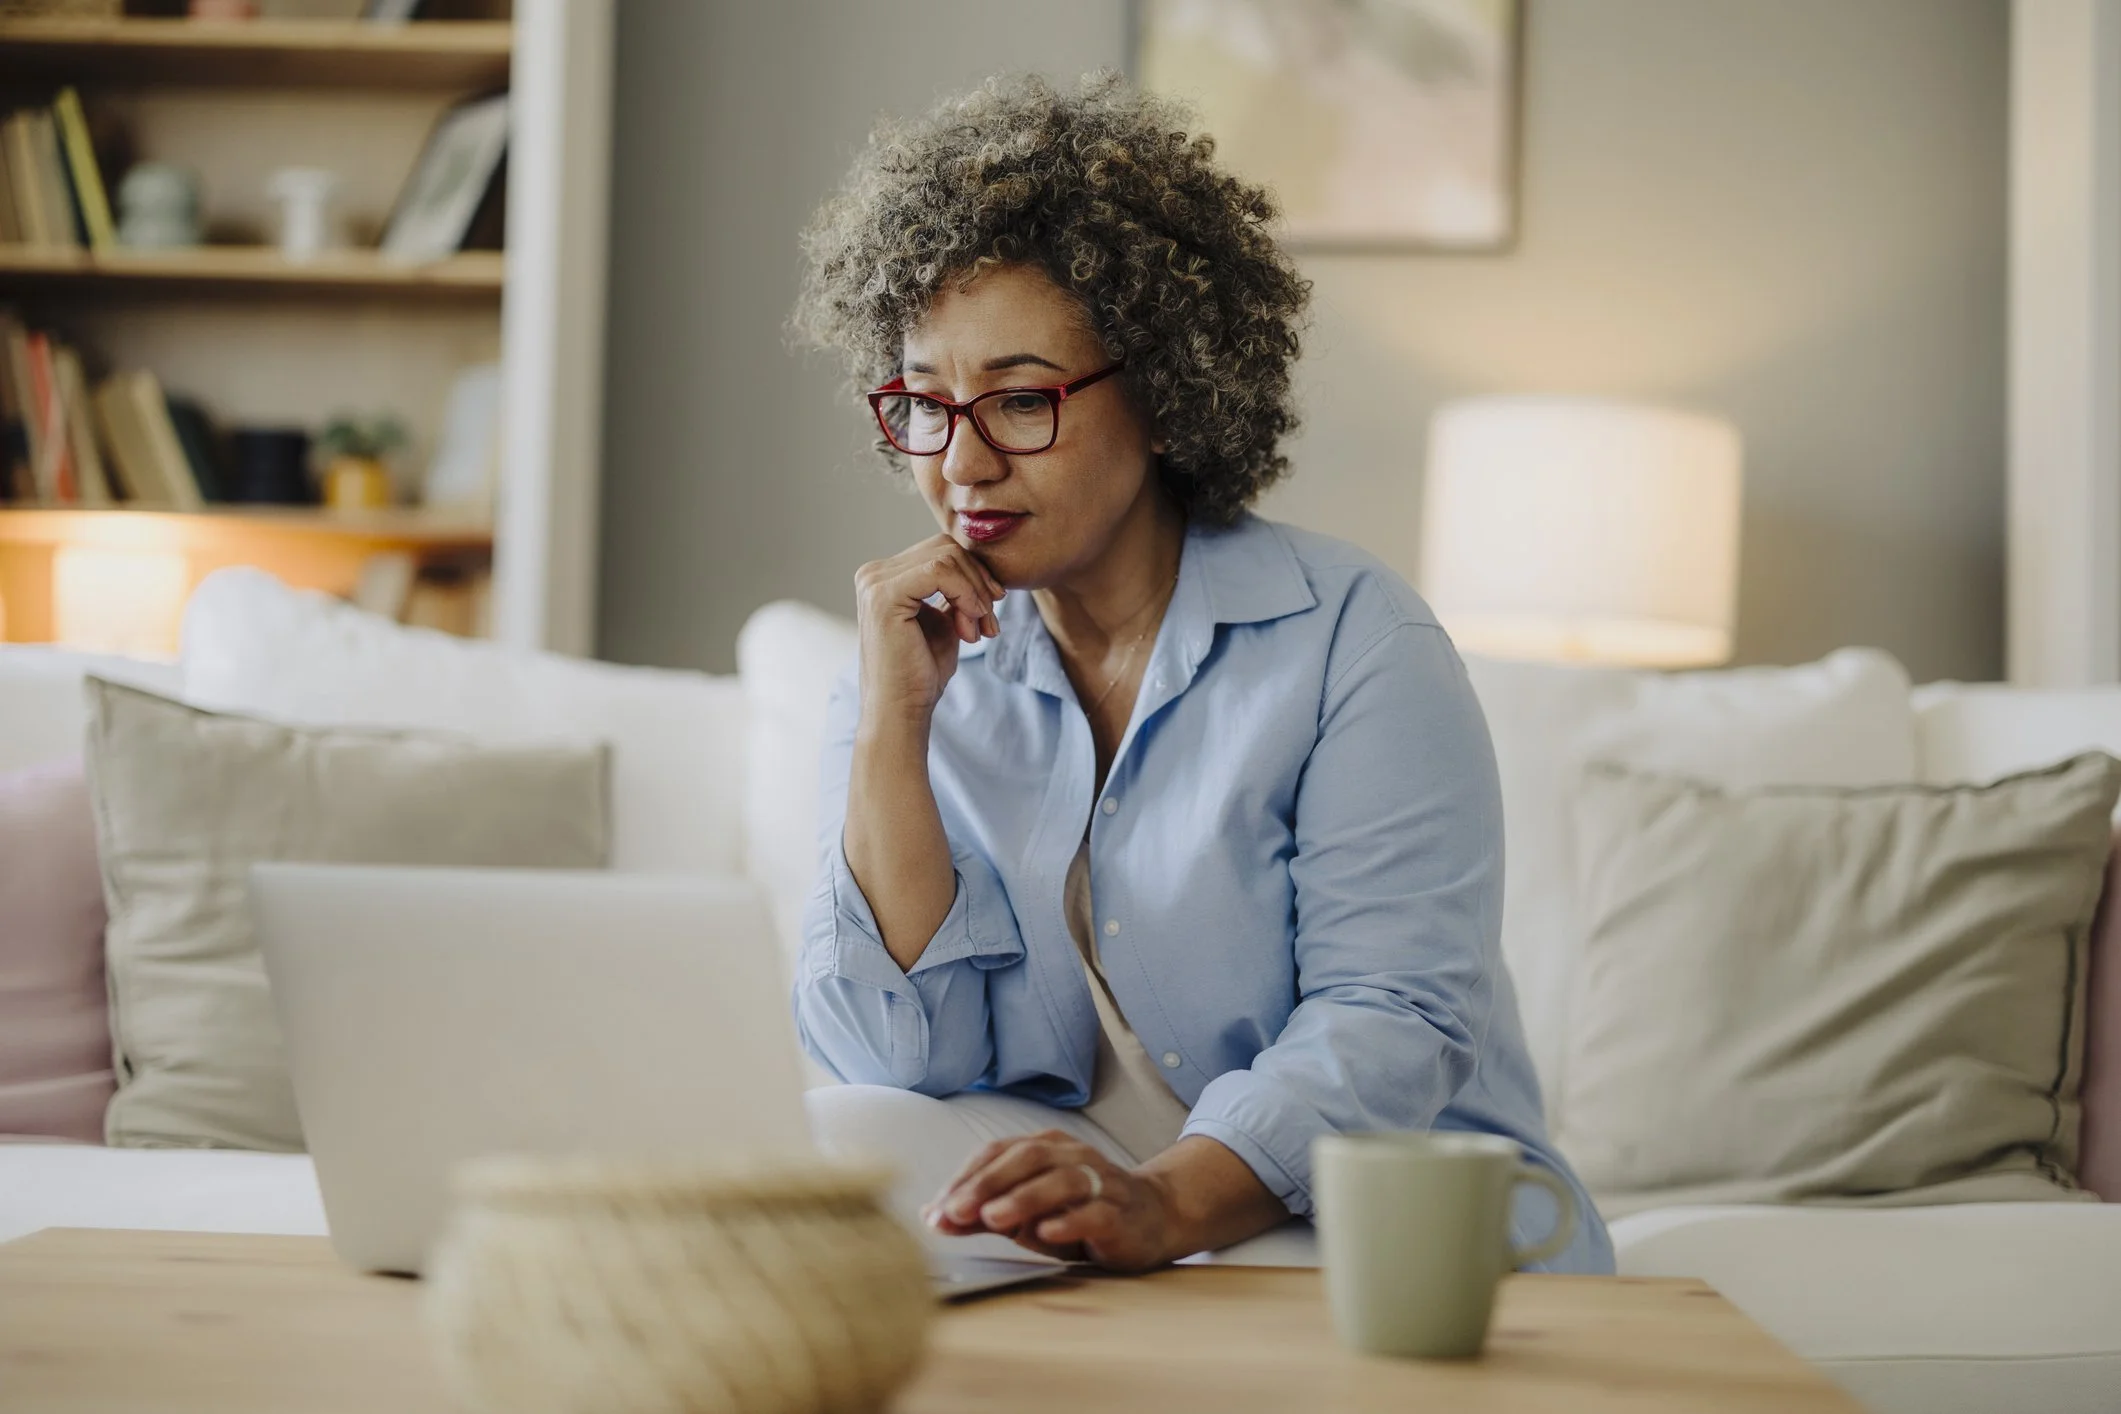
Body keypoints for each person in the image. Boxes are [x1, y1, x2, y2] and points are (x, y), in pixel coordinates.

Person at [788, 71, 1612, 1275]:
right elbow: (897, 1058)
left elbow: (1389, 1027)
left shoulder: (1356, 642)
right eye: (923, 403)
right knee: (839, 1144)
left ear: (1167, 395)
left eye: (1020, 400)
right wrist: (890, 733)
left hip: (1366, 1205)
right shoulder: (911, 655)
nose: (959, 460)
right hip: (1086, 1183)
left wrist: (1159, 1206)